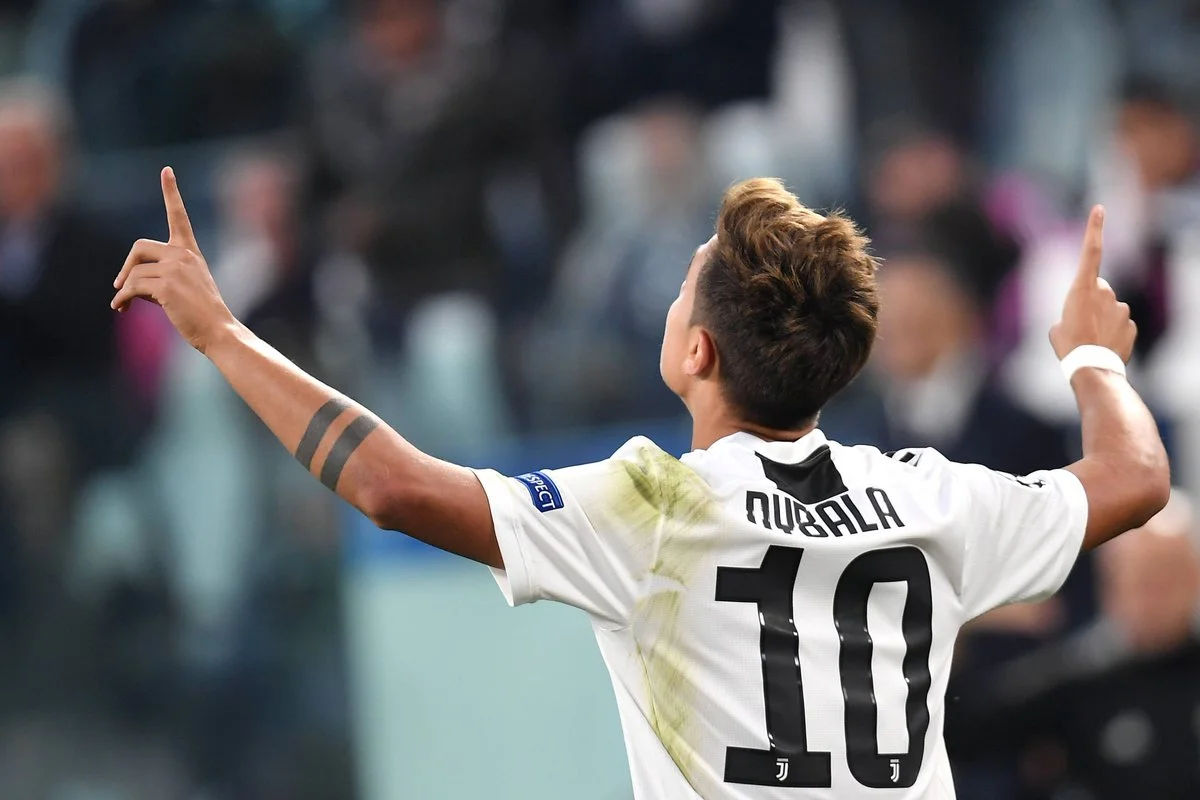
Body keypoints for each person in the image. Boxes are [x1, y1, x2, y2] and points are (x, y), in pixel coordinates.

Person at [111, 169, 1169, 799]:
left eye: (681, 290)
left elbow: (390, 486)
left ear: (697, 350)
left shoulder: (655, 504)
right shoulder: (930, 497)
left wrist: (222, 334)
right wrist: (1092, 357)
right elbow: (1133, 476)